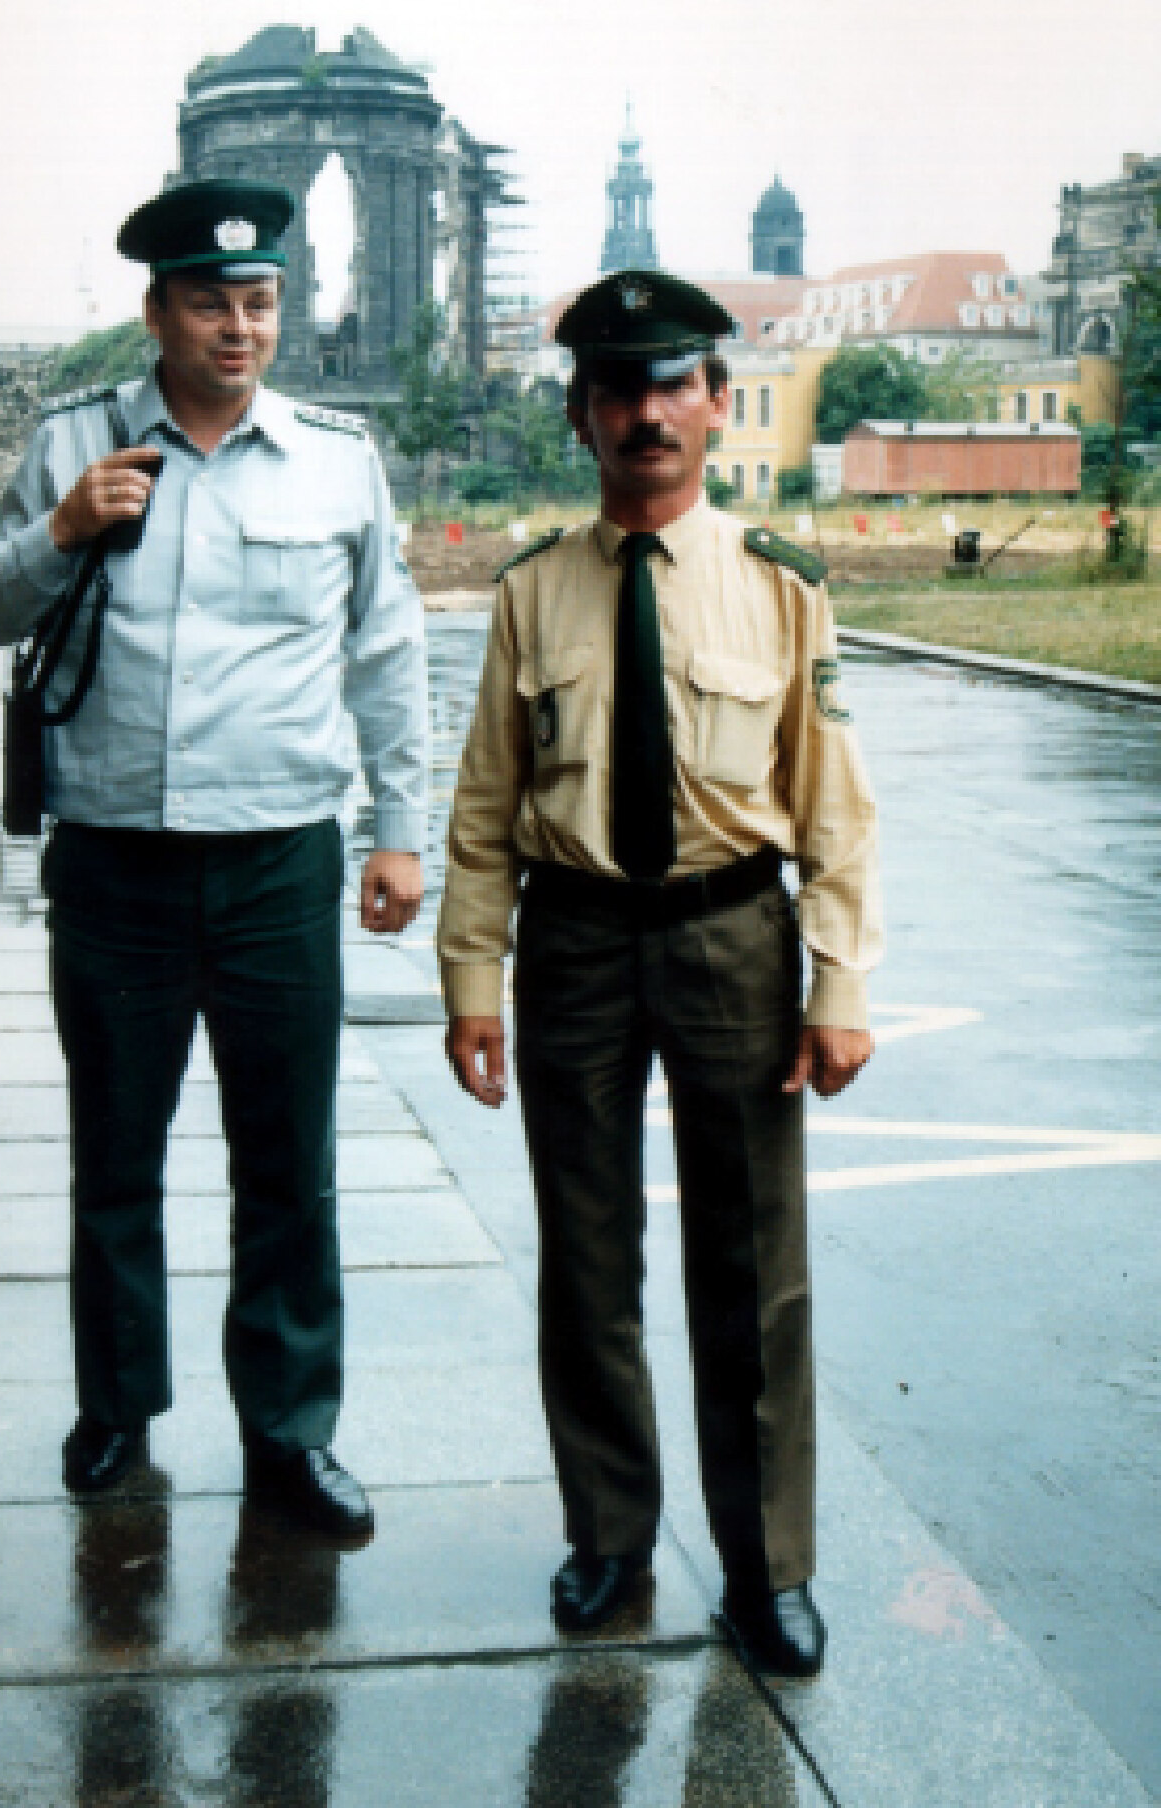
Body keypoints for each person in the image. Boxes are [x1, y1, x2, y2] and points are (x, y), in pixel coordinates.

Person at [0, 179, 428, 1540]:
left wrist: (399, 829)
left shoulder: (337, 457)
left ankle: (290, 1435)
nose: (240, 326)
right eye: (212, 301)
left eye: (261, 300)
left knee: (287, 1163)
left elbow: (386, 653)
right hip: (114, 867)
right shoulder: (73, 446)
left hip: (280, 861)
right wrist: (59, 532)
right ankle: (118, 1409)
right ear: (155, 310)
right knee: (115, 1153)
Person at [436, 269, 881, 1673]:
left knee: (754, 1267)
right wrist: (471, 981)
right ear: (582, 415)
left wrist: (839, 982)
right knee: (587, 1256)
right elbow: (486, 806)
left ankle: (766, 1567)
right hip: (572, 941)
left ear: (716, 403)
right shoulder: (532, 594)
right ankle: (611, 1536)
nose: (646, 413)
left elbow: (833, 806)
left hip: (731, 936)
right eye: (617, 389)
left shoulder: (780, 590)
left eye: (671, 385)